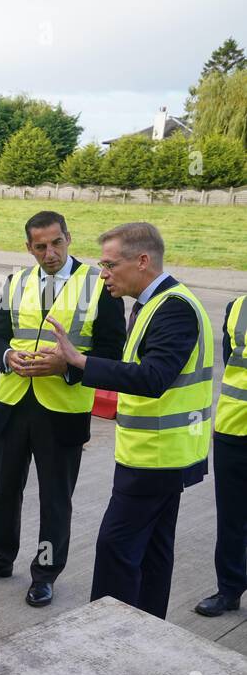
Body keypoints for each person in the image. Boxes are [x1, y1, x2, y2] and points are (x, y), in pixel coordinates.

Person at [40, 222, 214, 619]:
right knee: (153, 552)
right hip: (159, 455)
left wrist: (80, 362)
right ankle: (148, 631)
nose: (103, 274)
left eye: (109, 265)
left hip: (156, 459)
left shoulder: (174, 309)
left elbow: (153, 378)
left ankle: (106, 638)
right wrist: (74, 368)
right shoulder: (154, 303)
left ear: (142, 260)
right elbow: (132, 369)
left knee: (116, 551)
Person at [0, 211, 125, 607]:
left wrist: (68, 366)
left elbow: (111, 352)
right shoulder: (15, 282)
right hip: (13, 403)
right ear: (29, 247)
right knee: (5, 491)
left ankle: (45, 574)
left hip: (63, 410)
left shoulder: (98, 285)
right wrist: (6, 356)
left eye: (56, 243)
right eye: (40, 246)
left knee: (55, 498)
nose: (49, 252)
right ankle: (0, 560)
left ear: (68, 238)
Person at [194, 292, 247, 617]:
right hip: (232, 430)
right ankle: (228, 589)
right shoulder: (237, 307)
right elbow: (232, 364)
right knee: (231, 519)